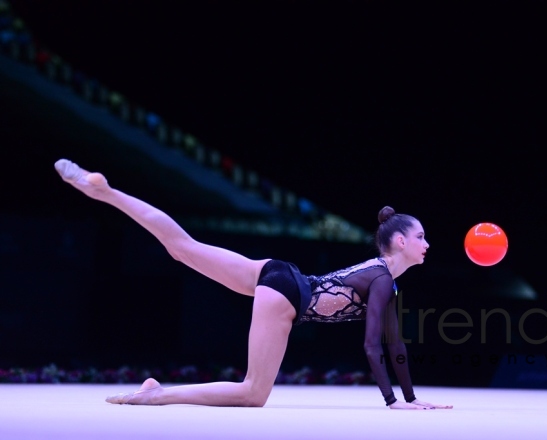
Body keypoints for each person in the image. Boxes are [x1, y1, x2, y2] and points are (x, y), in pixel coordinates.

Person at [54, 158, 453, 410]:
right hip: (288, 295)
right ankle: (158, 395)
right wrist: (393, 403)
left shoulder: (383, 278)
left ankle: (106, 193)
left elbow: (394, 343)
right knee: (252, 393)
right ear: (400, 241)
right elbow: (372, 345)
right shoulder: (382, 279)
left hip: (277, 273)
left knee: (183, 248)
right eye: (421, 238)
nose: (427, 245)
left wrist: (413, 399)